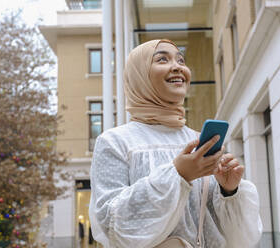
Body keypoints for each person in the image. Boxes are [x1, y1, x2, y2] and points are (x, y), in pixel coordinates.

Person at [89, 39, 262, 248]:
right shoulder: (115, 142)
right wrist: (179, 174)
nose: (177, 66)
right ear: (139, 75)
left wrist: (229, 191)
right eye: (162, 59)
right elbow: (114, 225)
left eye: (181, 60)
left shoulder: (199, 140)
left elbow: (240, 238)